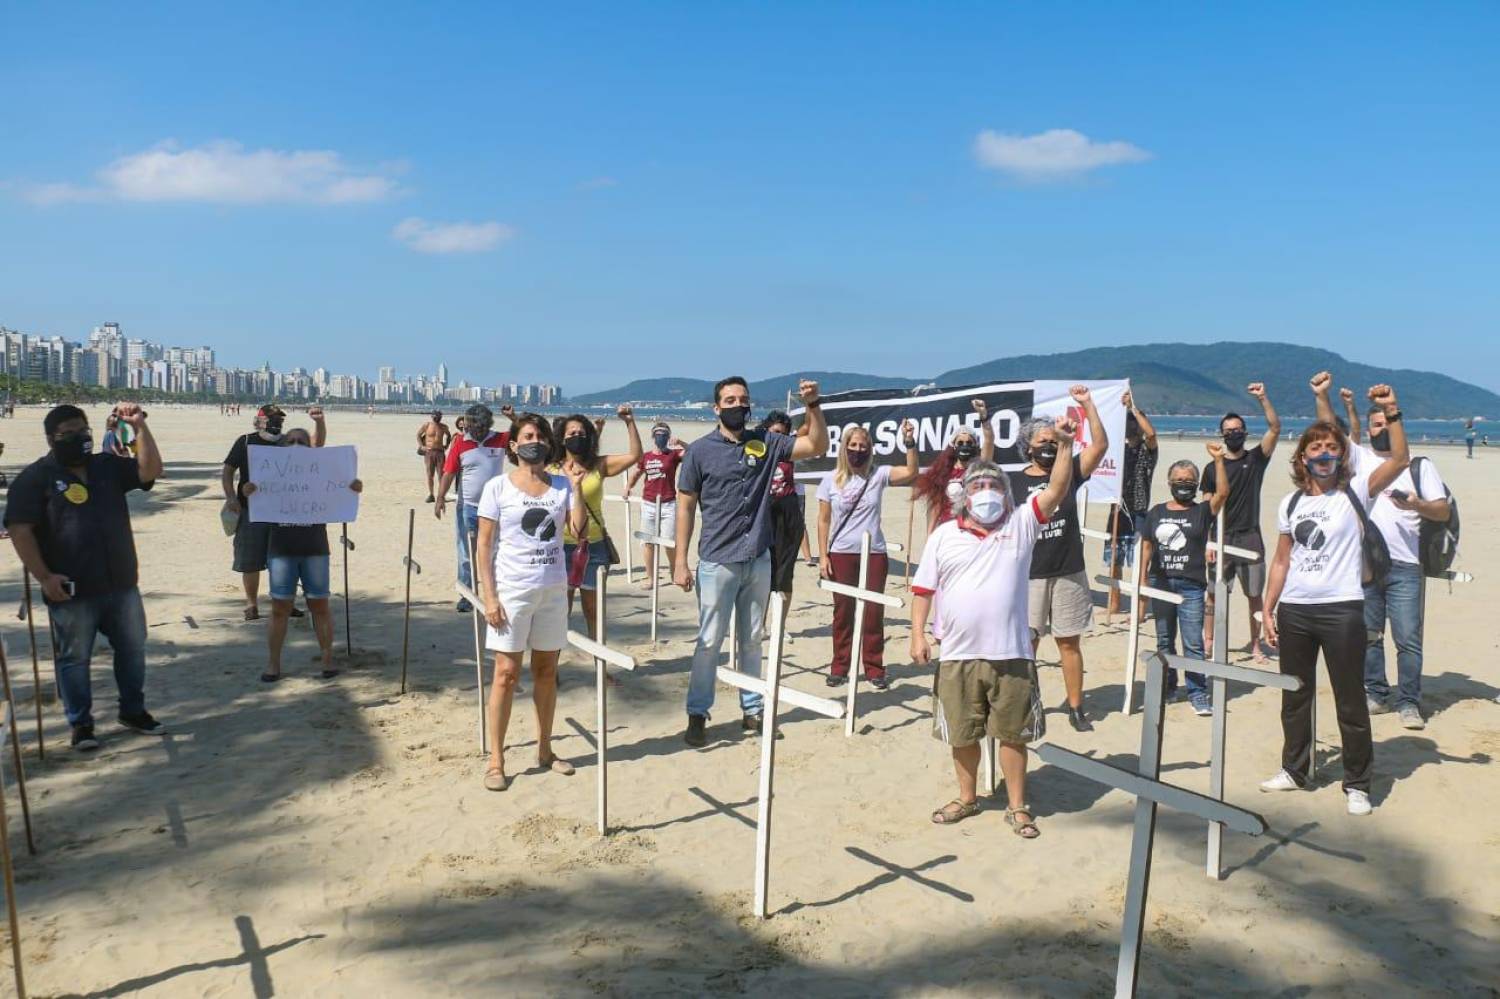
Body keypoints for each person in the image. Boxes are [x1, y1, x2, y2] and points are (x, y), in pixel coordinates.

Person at [910, 427, 1077, 836]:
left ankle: (1018, 806)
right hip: (957, 654)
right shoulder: (943, 536)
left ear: (1007, 492)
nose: (987, 491)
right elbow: (923, 589)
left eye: (994, 484)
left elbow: (1056, 488)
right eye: (979, 484)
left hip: (1012, 653)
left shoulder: (1021, 524)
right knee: (963, 733)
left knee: (1013, 734)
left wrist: (1067, 445)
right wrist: (917, 634)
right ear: (964, 492)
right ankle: (967, 798)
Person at [1260, 384, 1409, 817]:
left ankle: (1357, 783)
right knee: (1296, 696)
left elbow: (1399, 460)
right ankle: (1295, 769)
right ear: (1302, 457)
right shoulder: (1290, 503)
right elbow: (1282, 560)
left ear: (1341, 455)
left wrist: (1392, 411)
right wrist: (1267, 608)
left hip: (1342, 608)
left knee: (1349, 699)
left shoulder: (1356, 490)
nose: (1324, 453)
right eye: (1316, 447)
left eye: (1331, 447)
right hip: (1295, 611)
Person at [675, 377, 827, 746]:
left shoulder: (766, 443)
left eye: (742, 399)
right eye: (729, 399)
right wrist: (679, 559)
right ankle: (698, 713)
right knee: (709, 641)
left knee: (753, 640)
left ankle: (752, 710)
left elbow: (816, 445)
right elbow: (685, 504)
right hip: (716, 562)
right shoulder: (699, 451)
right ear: (716, 407)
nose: (737, 405)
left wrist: (813, 405)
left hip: (758, 558)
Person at [4, 403, 164, 750]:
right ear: (51, 438)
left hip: (121, 582)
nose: (79, 438)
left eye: (82, 430)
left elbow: (150, 470)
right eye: (68, 433)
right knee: (74, 659)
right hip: (71, 589)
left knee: (133, 649)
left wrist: (139, 428)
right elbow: (20, 530)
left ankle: (133, 711)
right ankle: (82, 725)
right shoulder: (35, 478)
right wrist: (44, 576)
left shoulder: (106, 466)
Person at [1314, 374, 1448, 729]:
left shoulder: (1419, 464)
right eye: (1375, 424)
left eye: (1386, 421)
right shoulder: (1358, 458)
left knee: (1408, 639)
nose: (1380, 428)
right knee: (1370, 635)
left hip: (1406, 564)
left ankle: (1409, 701)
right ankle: (1376, 692)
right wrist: (1322, 395)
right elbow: (1329, 429)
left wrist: (1418, 504)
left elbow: (1442, 510)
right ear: (1368, 429)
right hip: (1366, 565)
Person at [475, 413, 588, 791]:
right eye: (526, 435)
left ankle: (545, 749)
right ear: (512, 445)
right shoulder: (497, 488)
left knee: (546, 671)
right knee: (506, 673)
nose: (534, 440)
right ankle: (496, 759)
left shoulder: (560, 486)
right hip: (512, 591)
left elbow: (578, 531)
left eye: (539, 435)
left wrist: (577, 490)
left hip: (552, 591)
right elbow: (484, 546)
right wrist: (489, 596)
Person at [1009, 385, 1108, 732]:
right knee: (1027, 642)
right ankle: (1025, 703)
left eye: (1054, 441)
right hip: (1029, 574)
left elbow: (1100, 447)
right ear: (1028, 447)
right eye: (1042, 442)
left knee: (1069, 642)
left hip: (1068, 571)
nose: (1048, 447)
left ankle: (1076, 706)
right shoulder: (1013, 482)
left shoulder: (1069, 473)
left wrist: (1087, 405)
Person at [241, 426, 362, 682]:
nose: (296, 445)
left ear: (311, 447)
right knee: (279, 607)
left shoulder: (319, 472)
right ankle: (273, 663)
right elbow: (248, 493)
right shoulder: (269, 472)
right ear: (283, 446)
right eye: (291, 441)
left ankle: (327, 659)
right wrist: (247, 490)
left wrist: (352, 488)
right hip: (281, 549)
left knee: (320, 605)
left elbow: (340, 488)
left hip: (315, 548)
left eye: (302, 442)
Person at [816, 420, 919, 689]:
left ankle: (874, 668)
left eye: (863, 446)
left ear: (870, 448)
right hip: (841, 552)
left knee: (873, 612)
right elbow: (823, 520)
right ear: (844, 448)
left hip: (873, 553)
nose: (858, 450)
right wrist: (823, 555)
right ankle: (840, 666)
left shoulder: (879, 475)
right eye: (853, 445)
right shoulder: (830, 480)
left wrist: (909, 441)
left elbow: (910, 471)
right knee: (843, 612)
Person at [1140, 444, 1230, 715]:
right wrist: (1143, 580)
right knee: (1164, 640)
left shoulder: (1201, 511)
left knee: (1193, 642)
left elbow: (1223, 492)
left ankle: (1197, 692)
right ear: (1169, 483)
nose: (1183, 484)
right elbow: (1146, 546)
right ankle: (1168, 687)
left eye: (1189, 481)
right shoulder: (1156, 512)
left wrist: (1218, 461)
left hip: (1191, 586)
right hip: (1162, 583)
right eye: (1178, 480)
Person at [1200, 383, 1283, 663]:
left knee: (1254, 595)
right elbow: (1206, 508)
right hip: (1221, 536)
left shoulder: (1255, 460)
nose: (1233, 433)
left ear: (1244, 432)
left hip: (1250, 537)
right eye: (1228, 430)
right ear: (1222, 434)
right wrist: (1208, 541)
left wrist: (1263, 398)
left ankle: (1256, 645)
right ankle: (1208, 641)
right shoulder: (1212, 468)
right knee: (1213, 594)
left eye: (1238, 429)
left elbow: (1274, 429)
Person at [223, 404, 325, 621]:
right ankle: (251, 604)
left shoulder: (287, 442)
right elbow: (228, 470)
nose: (276, 423)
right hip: (251, 510)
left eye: (279, 419)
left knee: (283, 559)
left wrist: (319, 422)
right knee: (250, 560)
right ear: (259, 420)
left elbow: (316, 446)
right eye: (271, 419)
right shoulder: (246, 441)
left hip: (284, 511)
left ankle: (285, 603)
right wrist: (231, 496)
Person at [553, 406, 642, 634]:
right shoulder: (552, 469)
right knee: (559, 611)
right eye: (571, 433)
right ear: (561, 439)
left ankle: (600, 665)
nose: (576, 437)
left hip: (593, 547)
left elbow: (635, 456)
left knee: (593, 610)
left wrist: (629, 422)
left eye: (581, 433)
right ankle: (553, 668)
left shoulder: (598, 465)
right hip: (560, 548)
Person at [436, 404, 512, 613]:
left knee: (495, 551)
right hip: (468, 507)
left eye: (479, 426)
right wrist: (440, 497)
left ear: (487, 425)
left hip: (496, 508)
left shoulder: (501, 439)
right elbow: (449, 472)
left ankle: (494, 593)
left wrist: (513, 416)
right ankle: (466, 595)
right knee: (466, 552)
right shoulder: (460, 442)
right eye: (471, 426)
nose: (474, 430)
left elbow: (526, 430)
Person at [1106, 391, 1158, 620]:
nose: (1132, 427)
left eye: (1135, 423)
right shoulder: (1117, 451)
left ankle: (1140, 610)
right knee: (1114, 560)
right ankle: (1114, 604)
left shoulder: (1147, 452)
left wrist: (1133, 407)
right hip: (1117, 509)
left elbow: (1152, 434)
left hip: (1138, 511)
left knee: (1140, 563)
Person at [913, 400, 996, 532]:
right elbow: (936, 508)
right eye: (961, 442)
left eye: (969, 442)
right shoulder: (944, 472)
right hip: (948, 531)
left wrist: (984, 417)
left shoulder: (979, 468)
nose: (965, 445)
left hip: (973, 531)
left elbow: (989, 440)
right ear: (954, 446)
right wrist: (930, 537)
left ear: (975, 446)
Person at [759, 411, 807, 632]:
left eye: (783, 435)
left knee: (784, 575)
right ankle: (758, 623)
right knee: (760, 574)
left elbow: (810, 433)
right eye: (775, 433)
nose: (779, 438)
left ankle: (780, 625)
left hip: (787, 513)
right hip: (763, 512)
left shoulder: (790, 451)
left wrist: (812, 407)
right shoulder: (756, 450)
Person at [624, 421, 684, 588]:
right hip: (649, 503)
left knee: (668, 541)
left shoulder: (673, 455)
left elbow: (693, 452)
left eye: (664, 434)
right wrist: (628, 487)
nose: (661, 437)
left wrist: (680, 442)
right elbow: (637, 473)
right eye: (658, 434)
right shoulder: (647, 456)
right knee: (648, 541)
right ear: (653, 436)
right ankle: (650, 577)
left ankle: (674, 572)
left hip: (668, 503)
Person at [416, 410, 452, 503]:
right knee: (430, 474)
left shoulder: (443, 427)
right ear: (432, 416)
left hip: (440, 452)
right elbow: (418, 435)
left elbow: (449, 436)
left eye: (439, 416)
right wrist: (421, 446)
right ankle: (431, 494)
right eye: (435, 416)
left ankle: (441, 495)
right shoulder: (427, 425)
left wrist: (447, 445)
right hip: (429, 452)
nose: (437, 418)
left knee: (441, 474)